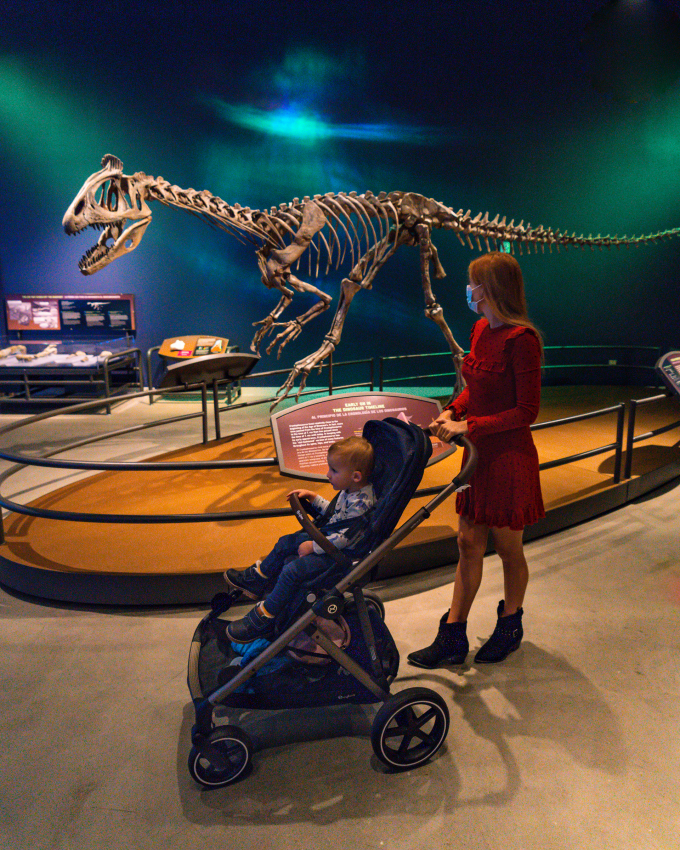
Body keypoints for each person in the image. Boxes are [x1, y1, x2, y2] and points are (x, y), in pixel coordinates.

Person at [408, 251, 545, 668]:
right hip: (478, 457)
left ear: (491, 288)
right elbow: (476, 385)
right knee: (467, 543)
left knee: (507, 549)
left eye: (475, 282)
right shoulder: (480, 328)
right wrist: (454, 410)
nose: (470, 289)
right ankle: (453, 635)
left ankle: (510, 625)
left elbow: (526, 412)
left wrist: (471, 427)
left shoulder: (523, 341)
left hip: (507, 460)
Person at [221, 436, 376, 644]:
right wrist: (314, 498)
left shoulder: (362, 503)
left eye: (334, 471)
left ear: (356, 476)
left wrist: (313, 546)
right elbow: (336, 514)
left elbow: (345, 537)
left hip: (339, 554)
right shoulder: (350, 490)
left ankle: (265, 616)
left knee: (291, 571)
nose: (328, 474)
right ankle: (258, 578)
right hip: (329, 542)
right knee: (287, 542)